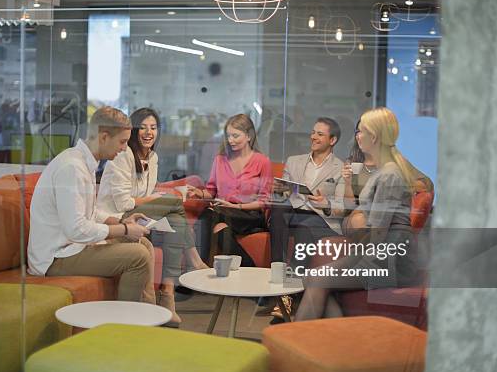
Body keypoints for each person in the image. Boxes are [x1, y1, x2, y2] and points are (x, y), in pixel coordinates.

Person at [295, 107, 419, 321]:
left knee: (316, 278)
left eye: (361, 131)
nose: (357, 136)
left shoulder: (389, 175)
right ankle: (338, 340)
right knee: (315, 278)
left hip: (389, 263)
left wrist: (349, 256)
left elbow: (378, 235)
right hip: (378, 255)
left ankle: (302, 341)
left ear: (375, 136)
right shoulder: (385, 170)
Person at [27, 106, 152, 303]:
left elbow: (89, 214)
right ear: (103, 137)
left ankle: (146, 312)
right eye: (122, 142)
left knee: (142, 243)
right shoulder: (72, 168)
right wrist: (124, 229)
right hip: (55, 258)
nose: (124, 149)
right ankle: (126, 326)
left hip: (72, 247)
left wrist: (120, 221)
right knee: (138, 256)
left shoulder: (85, 163)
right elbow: (76, 229)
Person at [97, 107, 208, 325]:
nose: (149, 132)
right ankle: (194, 258)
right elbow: (123, 203)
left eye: (154, 128)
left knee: (176, 221)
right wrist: (163, 199)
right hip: (119, 218)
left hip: (139, 214)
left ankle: (168, 295)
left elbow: (146, 195)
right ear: (134, 130)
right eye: (143, 128)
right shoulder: (122, 156)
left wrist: (158, 198)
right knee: (175, 201)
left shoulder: (153, 158)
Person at [187, 113, 273, 267]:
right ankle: (249, 267)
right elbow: (211, 191)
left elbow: (264, 201)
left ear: (248, 136)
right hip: (224, 213)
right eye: (228, 136)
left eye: (235, 135)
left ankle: (198, 267)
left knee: (209, 215)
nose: (230, 140)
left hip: (249, 214)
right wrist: (199, 193)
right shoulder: (220, 160)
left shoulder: (262, 161)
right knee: (221, 229)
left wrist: (236, 206)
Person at [269, 117, 344, 269]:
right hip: (294, 211)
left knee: (305, 227)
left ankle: (296, 281)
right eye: (313, 132)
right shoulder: (294, 161)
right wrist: (280, 190)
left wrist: (326, 204)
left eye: (320, 134)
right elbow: (283, 196)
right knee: (278, 210)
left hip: (319, 216)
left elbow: (342, 206)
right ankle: (277, 268)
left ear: (332, 140)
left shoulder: (341, 168)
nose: (313, 137)